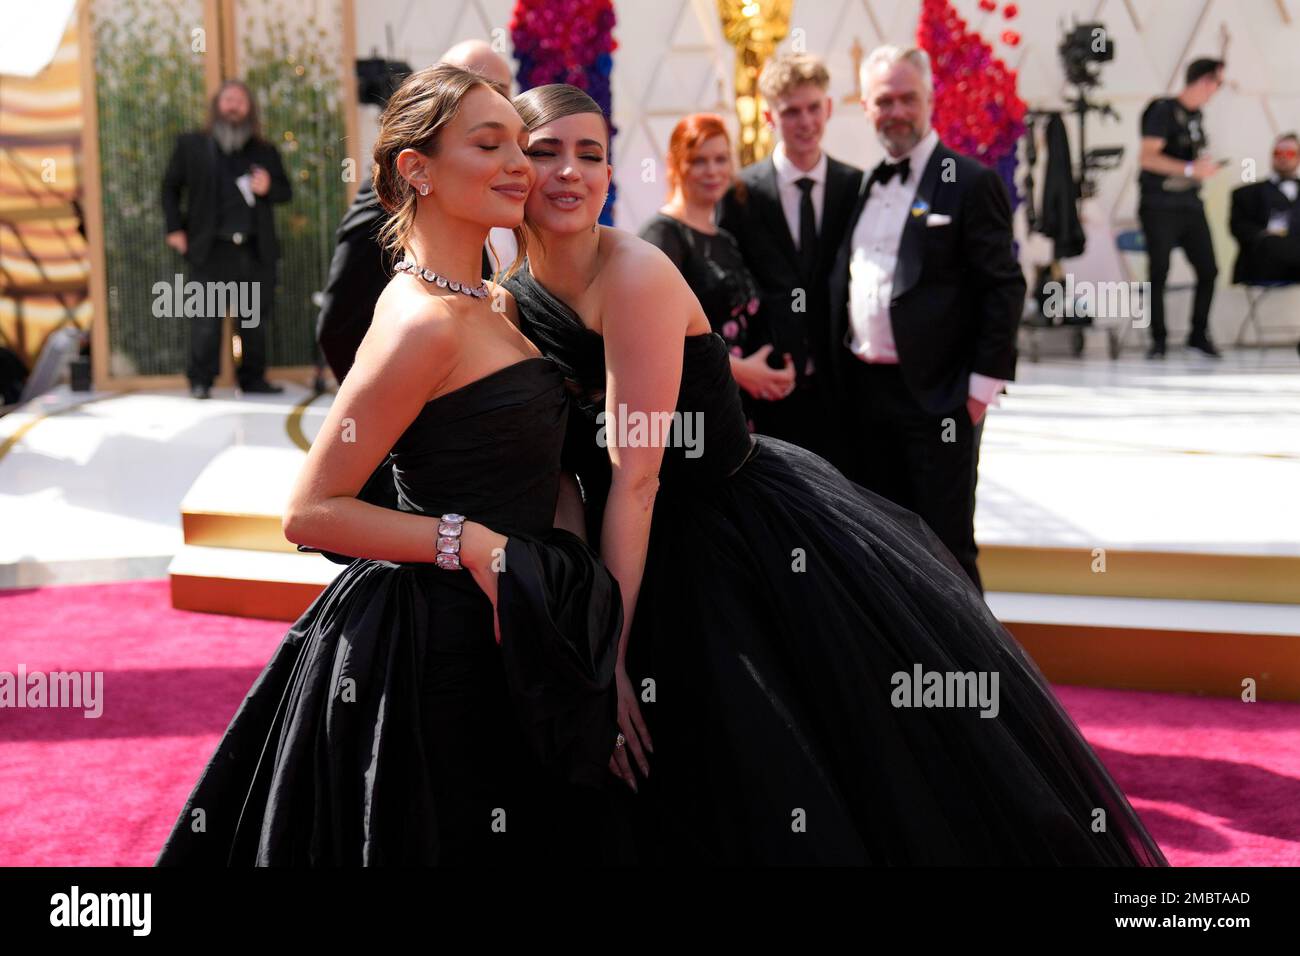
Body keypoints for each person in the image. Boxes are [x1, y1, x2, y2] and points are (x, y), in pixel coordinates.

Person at [505, 82, 1167, 866]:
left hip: (729, 538)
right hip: (631, 546)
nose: (569, 172)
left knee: (787, 770)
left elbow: (637, 478)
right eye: (544, 152)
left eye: (590, 154)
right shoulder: (511, 295)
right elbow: (565, 475)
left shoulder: (635, 274)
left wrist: (606, 653)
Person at [156, 65, 621, 866]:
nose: (521, 164)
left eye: (520, 142)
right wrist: (469, 544)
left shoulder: (496, 300)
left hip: (515, 625)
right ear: (417, 169)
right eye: (489, 144)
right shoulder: (420, 324)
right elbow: (309, 511)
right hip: (435, 648)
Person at [827, 45, 1023, 591]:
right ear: (866, 107)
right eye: (883, 100)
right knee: (880, 541)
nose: (896, 111)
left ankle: (973, 672)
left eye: (907, 98)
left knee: (947, 545)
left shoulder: (970, 181)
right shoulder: (864, 185)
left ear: (930, 100)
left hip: (939, 396)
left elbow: (1003, 286)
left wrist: (979, 391)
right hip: (866, 396)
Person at [317, 40, 518, 384]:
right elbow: (339, 323)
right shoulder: (394, 195)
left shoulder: (520, 181)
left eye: (502, 90)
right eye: (472, 84)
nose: (492, 99)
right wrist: (405, 408)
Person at [717, 53, 864, 459]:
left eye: (814, 108)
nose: (805, 121)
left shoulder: (855, 187)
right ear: (769, 116)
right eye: (791, 111)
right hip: (768, 386)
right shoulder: (739, 193)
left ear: (829, 108)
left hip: (843, 388)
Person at [638, 113, 790, 432]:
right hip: (692, 413)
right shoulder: (663, 235)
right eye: (699, 161)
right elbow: (656, 334)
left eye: (721, 159)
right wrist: (742, 371)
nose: (713, 171)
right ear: (676, 164)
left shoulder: (726, 239)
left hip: (738, 408)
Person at [162, 80, 292, 399]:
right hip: (210, 248)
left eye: (240, 100)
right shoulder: (193, 145)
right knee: (206, 318)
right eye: (228, 99)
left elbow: (285, 192)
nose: (234, 106)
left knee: (253, 320)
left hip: (253, 250)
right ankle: (201, 380)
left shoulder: (265, 151)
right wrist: (175, 230)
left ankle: (252, 379)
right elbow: (169, 187)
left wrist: (267, 188)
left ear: (249, 109)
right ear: (217, 106)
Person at [1137, 57, 1226, 359]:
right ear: (1203, 81)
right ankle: (1158, 339)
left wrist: (1202, 169)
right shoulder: (1162, 110)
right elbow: (1147, 158)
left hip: (1190, 203)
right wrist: (1189, 169)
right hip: (1160, 204)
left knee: (1209, 269)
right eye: (1217, 82)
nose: (1217, 90)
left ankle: (1197, 333)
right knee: (1159, 271)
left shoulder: (1196, 116)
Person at [1229, 131, 1300, 284]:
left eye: (1290, 153)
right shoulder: (1246, 194)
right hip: (1262, 269)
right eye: (1278, 152)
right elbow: (1239, 227)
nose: (1283, 157)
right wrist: (1266, 236)